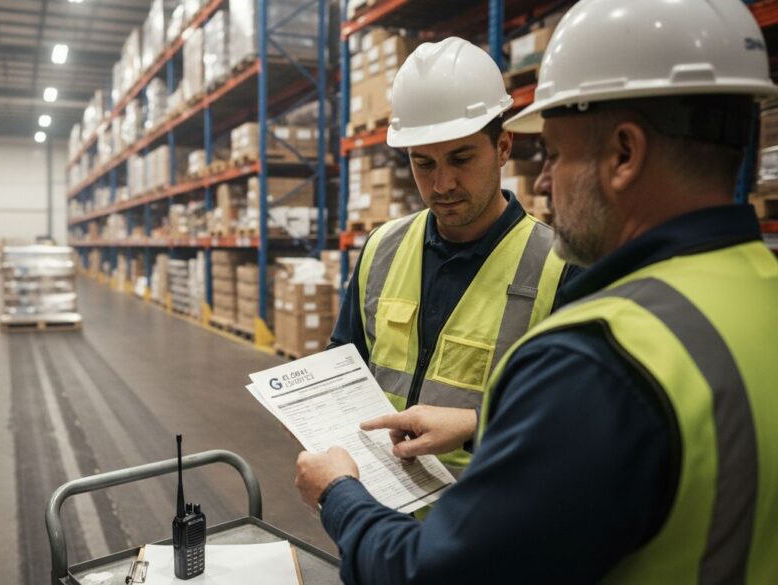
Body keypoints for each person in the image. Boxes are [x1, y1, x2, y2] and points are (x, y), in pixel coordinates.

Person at [297, 0, 778, 582]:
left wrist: (340, 496)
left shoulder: (600, 357)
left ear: (624, 153)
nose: (544, 179)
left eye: (553, 152)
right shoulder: (757, 295)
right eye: (423, 163)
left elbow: (435, 574)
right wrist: (480, 426)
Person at [331, 37, 576, 475]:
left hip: (484, 526)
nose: (442, 184)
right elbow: (343, 362)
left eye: (461, 158)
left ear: (503, 147)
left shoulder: (560, 267)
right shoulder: (382, 247)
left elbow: (578, 417)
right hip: (376, 513)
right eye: (423, 164)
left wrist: (473, 425)